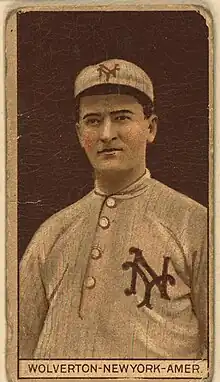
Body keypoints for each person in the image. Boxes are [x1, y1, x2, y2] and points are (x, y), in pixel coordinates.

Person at [19, 59, 207, 359]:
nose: (107, 134)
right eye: (93, 120)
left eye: (122, 117)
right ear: (80, 133)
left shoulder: (196, 223)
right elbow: (14, 357)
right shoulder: (52, 233)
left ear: (151, 128)